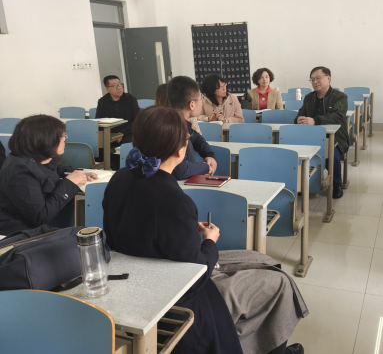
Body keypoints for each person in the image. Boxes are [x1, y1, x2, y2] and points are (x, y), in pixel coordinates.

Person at [103, 106, 306, 354]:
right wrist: (210, 241)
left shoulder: (119, 178)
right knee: (279, 282)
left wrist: (185, 230)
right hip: (178, 295)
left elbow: (119, 237)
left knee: (260, 260)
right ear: (180, 151)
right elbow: (197, 273)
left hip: (136, 282)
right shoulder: (175, 201)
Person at [0, 115, 97, 236]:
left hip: (35, 227)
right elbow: (40, 216)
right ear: (45, 139)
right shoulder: (21, 171)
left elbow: (48, 169)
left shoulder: (30, 157)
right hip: (20, 233)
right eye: (62, 135)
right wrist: (70, 182)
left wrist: (73, 172)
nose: (65, 138)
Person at [295, 67, 349, 199]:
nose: (315, 82)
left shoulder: (340, 96)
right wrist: (299, 119)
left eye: (318, 78)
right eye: (312, 79)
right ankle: (302, 183)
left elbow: (338, 116)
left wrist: (315, 120)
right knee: (297, 154)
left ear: (328, 78)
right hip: (310, 136)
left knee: (333, 156)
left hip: (334, 137)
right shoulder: (309, 97)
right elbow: (302, 112)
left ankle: (336, 184)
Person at [167, 76, 218, 179]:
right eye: (201, 98)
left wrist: (209, 154)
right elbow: (181, 170)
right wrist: (206, 167)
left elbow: (196, 138)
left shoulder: (181, 122)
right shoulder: (173, 129)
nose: (202, 102)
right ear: (192, 105)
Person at [95, 75, 140, 145]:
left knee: (131, 142)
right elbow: (99, 121)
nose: (119, 88)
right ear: (107, 89)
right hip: (109, 134)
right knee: (97, 144)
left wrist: (121, 133)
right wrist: (110, 135)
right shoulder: (102, 102)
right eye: (114, 86)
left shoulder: (130, 99)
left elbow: (137, 120)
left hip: (127, 132)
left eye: (119, 84)